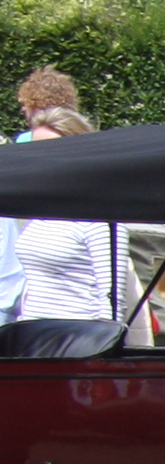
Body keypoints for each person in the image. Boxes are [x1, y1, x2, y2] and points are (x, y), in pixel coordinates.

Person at [10, 109, 115, 320]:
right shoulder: (41, 211)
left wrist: (104, 346)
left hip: (77, 338)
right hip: (33, 338)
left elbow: (110, 296)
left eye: (51, 148)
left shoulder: (97, 216)